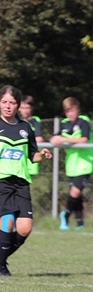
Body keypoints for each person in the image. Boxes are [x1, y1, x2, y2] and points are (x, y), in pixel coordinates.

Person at [0, 86, 52, 277]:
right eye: (4, 102)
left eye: (12, 103)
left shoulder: (26, 128)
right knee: (7, 223)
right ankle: (0, 267)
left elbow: (32, 155)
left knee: (25, 229)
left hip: (21, 181)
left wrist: (42, 154)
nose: (8, 106)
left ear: (18, 105)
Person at [49, 97, 93, 231]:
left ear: (78, 110)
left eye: (72, 110)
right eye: (67, 111)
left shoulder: (83, 122)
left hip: (85, 164)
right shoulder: (64, 124)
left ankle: (66, 214)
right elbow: (54, 137)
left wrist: (64, 139)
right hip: (71, 165)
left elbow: (84, 139)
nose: (70, 114)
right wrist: (54, 139)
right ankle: (80, 223)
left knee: (76, 191)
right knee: (76, 195)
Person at [19, 95, 45, 176]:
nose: (25, 111)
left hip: (30, 159)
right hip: (18, 159)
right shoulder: (16, 121)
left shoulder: (35, 121)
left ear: (32, 108)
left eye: (27, 108)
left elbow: (39, 139)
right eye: (23, 108)